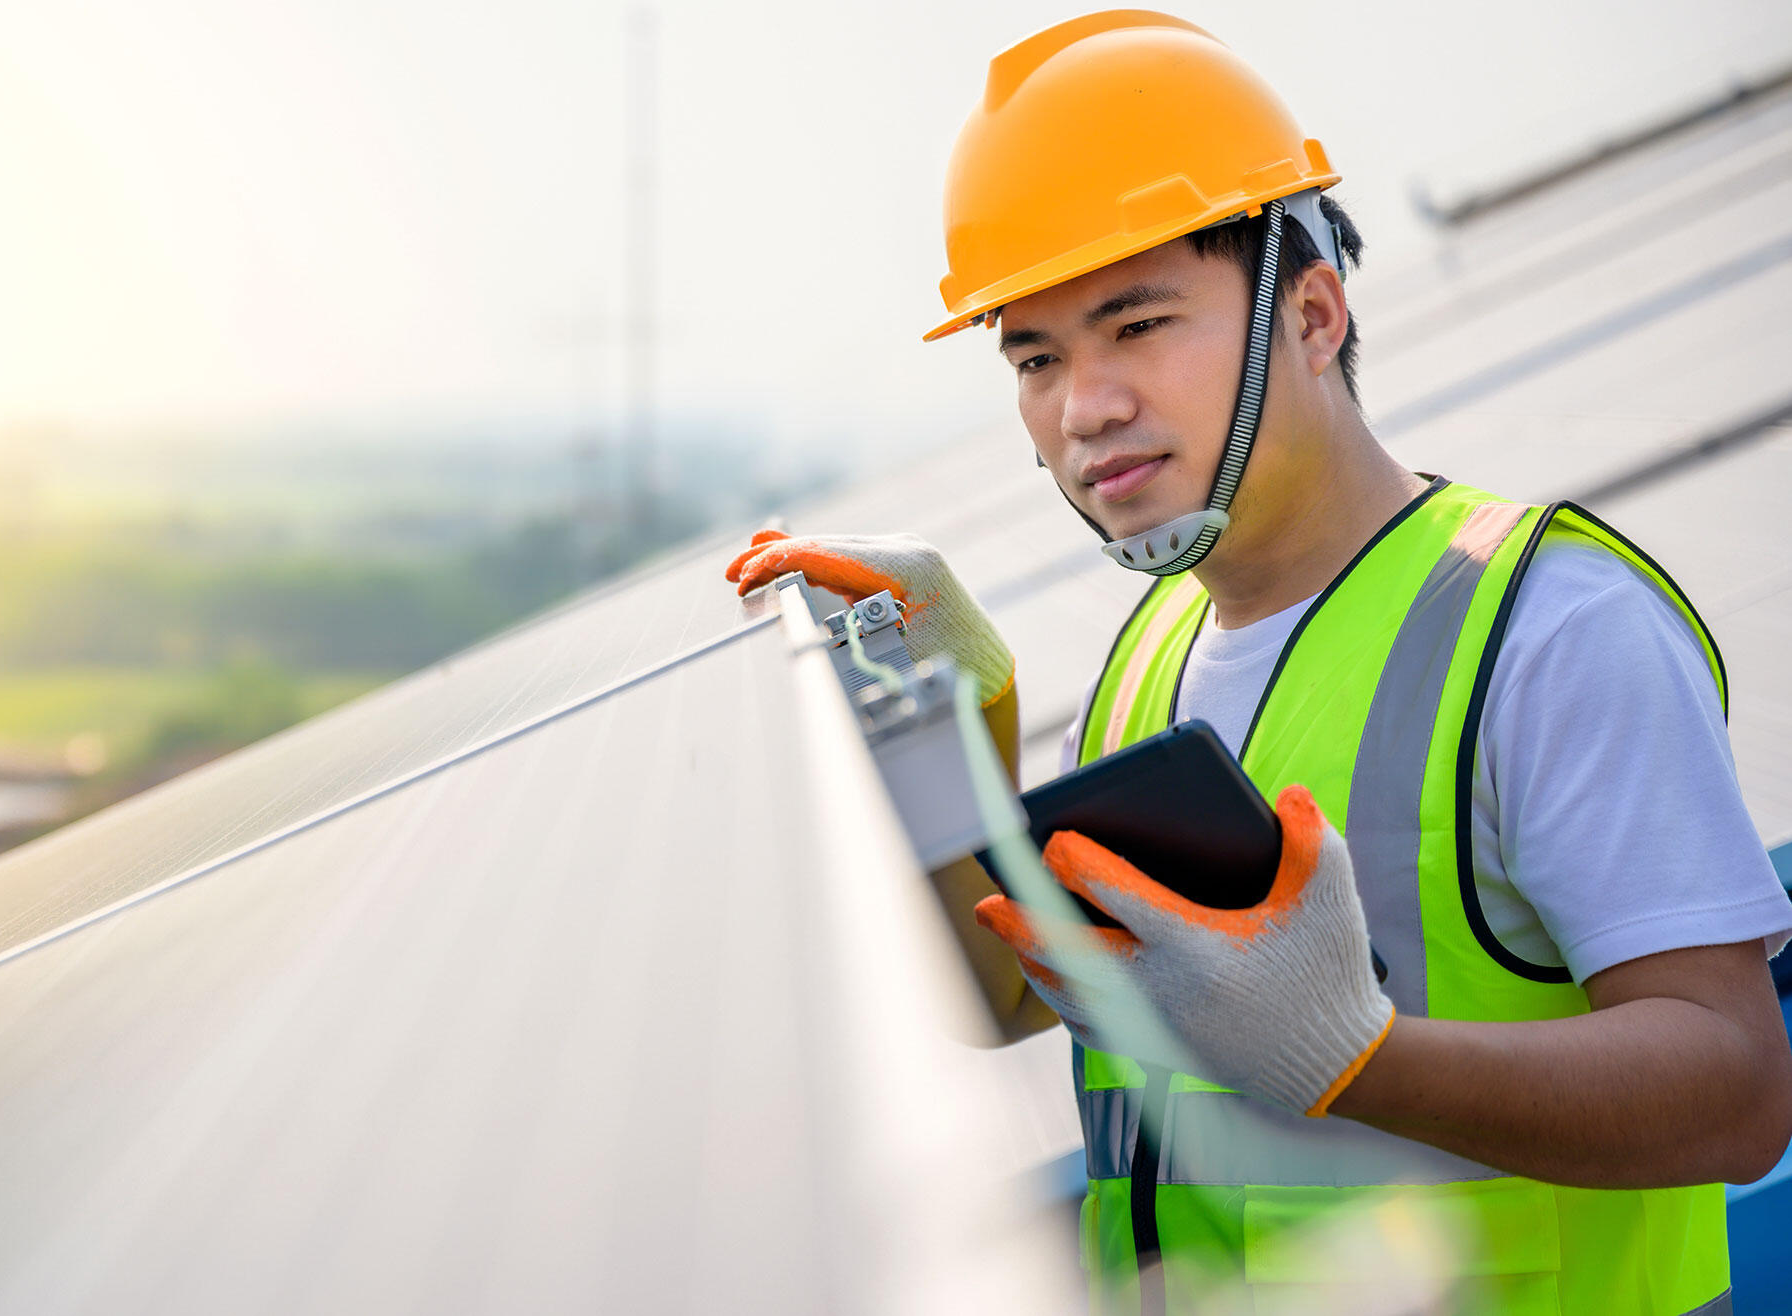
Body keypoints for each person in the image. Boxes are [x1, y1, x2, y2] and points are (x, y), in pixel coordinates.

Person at [724, 11, 1792, 1313]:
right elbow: (1010, 995)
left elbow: (1739, 1096)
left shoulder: (1550, 628)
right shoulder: (1147, 667)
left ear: (1313, 311)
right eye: (1037, 356)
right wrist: (940, 726)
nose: (1083, 407)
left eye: (1137, 323)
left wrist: (1359, 1058)